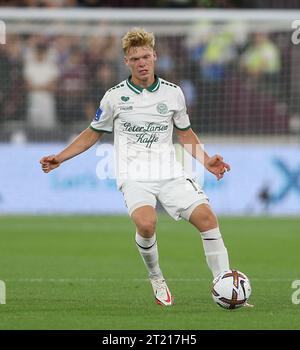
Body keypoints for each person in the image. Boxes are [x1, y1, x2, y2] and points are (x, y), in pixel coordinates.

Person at [40, 28, 234, 307]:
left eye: (146, 56)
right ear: (126, 62)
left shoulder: (173, 93)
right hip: (134, 175)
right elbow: (92, 133)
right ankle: (156, 277)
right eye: (135, 59)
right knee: (146, 223)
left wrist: (205, 160)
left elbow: (185, 133)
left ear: (155, 56)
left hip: (170, 172)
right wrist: (60, 157)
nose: (142, 62)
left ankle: (224, 284)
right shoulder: (114, 97)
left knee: (207, 219)